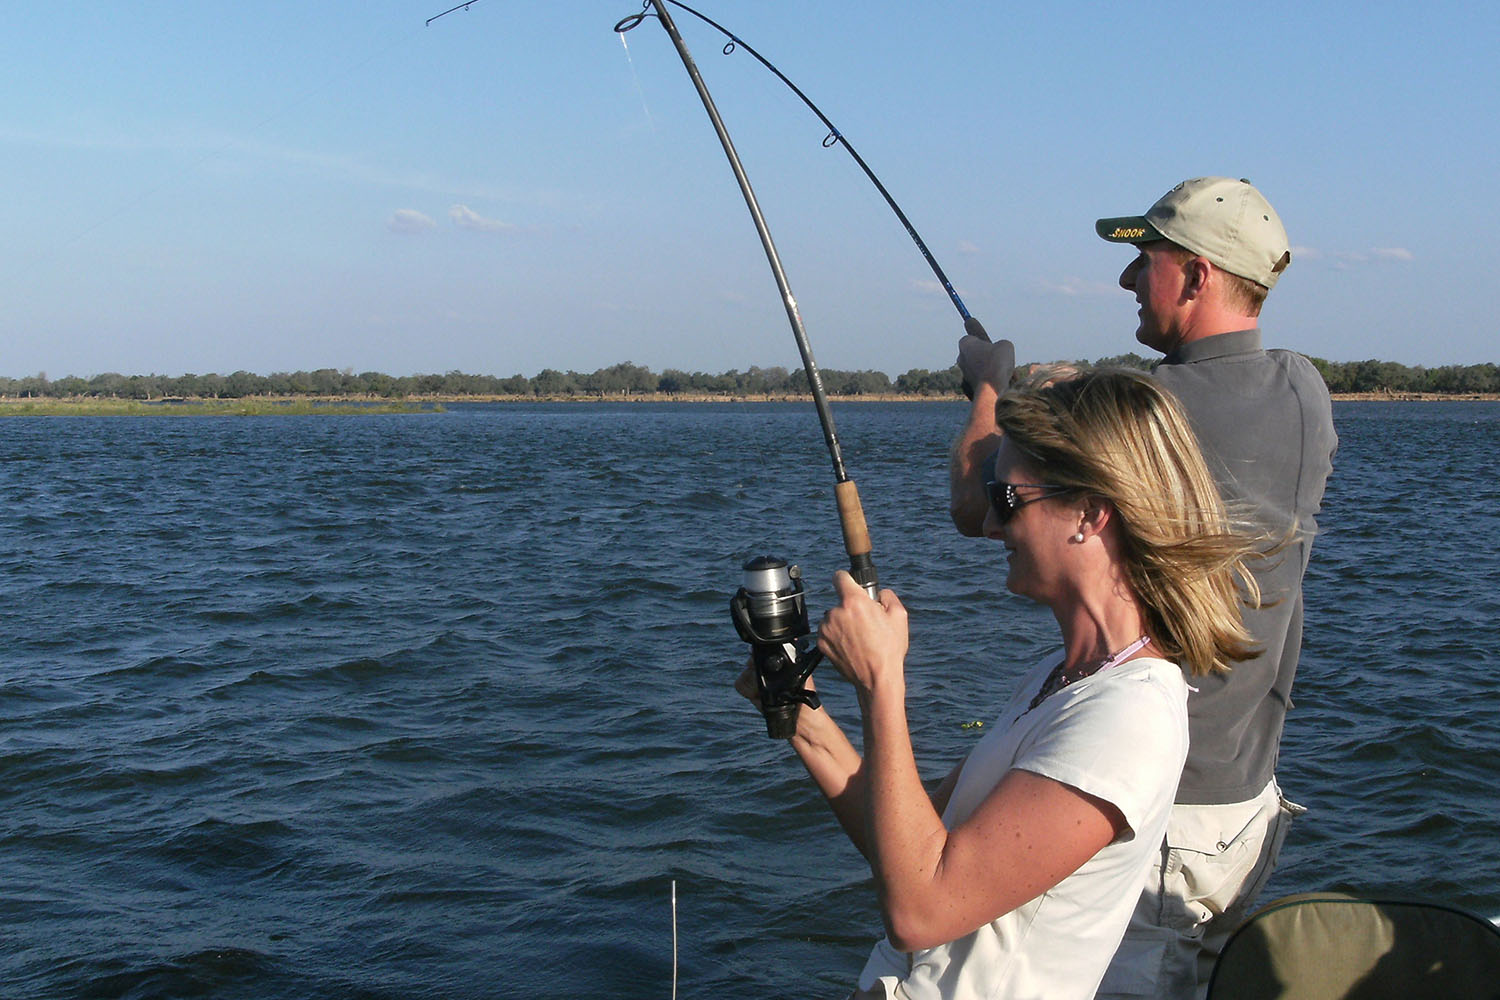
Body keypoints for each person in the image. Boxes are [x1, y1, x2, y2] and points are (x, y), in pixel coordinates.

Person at [740, 370, 1266, 1000]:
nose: (989, 523)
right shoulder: (1063, 677)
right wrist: (797, 710)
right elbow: (913, 837)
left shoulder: (1129, 718)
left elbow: (919, 910)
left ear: (1090, 515)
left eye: (1009, 499)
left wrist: (882, 681)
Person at [949, 177, 1338, 998]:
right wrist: (1083, 388)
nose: (1128, 280)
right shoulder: (1304, 390)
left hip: (1154, 806)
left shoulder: (1154, 407)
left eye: (1144, 260)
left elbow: (979, 506)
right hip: (1247, 806)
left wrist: (993, 386)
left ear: (1196, 277)